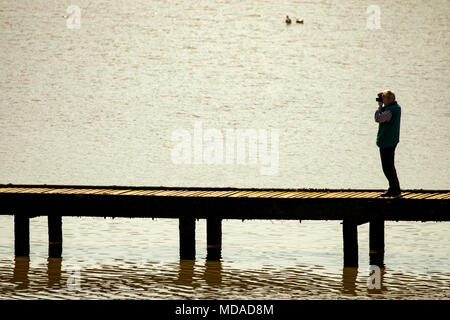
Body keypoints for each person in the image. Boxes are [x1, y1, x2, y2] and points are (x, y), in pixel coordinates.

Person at [374, 90, 402, 198]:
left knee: (387, 167)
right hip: (392, 140)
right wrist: (383, 106)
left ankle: (395, 189)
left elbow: (378, 118)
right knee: (390, 166)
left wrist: (379, 107)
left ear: (389, 99)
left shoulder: (390, 111)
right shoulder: (396, 108)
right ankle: (394, 188)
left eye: (384, 98)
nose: (383, 101)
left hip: (387, 142)